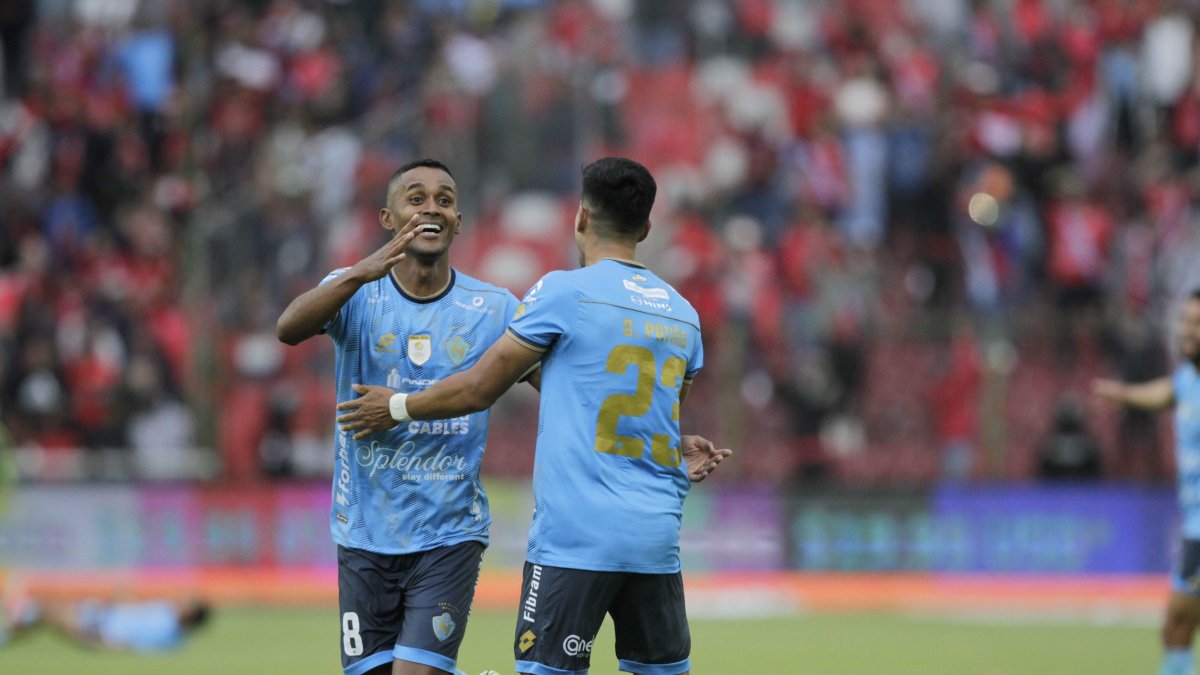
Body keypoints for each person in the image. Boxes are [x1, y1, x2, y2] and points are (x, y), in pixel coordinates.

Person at [278, 158, 727, 675]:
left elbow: (548, 386)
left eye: (445, 200)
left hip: (451, 531)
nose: (431, 209)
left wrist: (396, 406)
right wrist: (362, 270)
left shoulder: (497, 307)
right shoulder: (354, 289)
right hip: (362, 531)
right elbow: (289, 329)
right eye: (416, 199)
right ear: (387, 218)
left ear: (459, 221)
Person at [1093, 289, 1200, 675]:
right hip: (1193, 527)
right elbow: (1167, 392)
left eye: (1197, 324)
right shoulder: (1188, 379)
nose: (1187, 330)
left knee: (1177, 621)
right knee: (1176, 627)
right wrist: (1126, 395)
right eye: (1185, 321)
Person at [1, 595, 210, 652]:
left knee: (46, 613)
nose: (183, 602)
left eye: (189, 605)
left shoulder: (170, 633)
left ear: (191, 614)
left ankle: (9, 630)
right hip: (105, 615)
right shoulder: (166, 611)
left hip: (103, 630)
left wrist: (103, 643)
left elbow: (131, 644)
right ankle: (8, 634)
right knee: (45, 614)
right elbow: (132, 609)